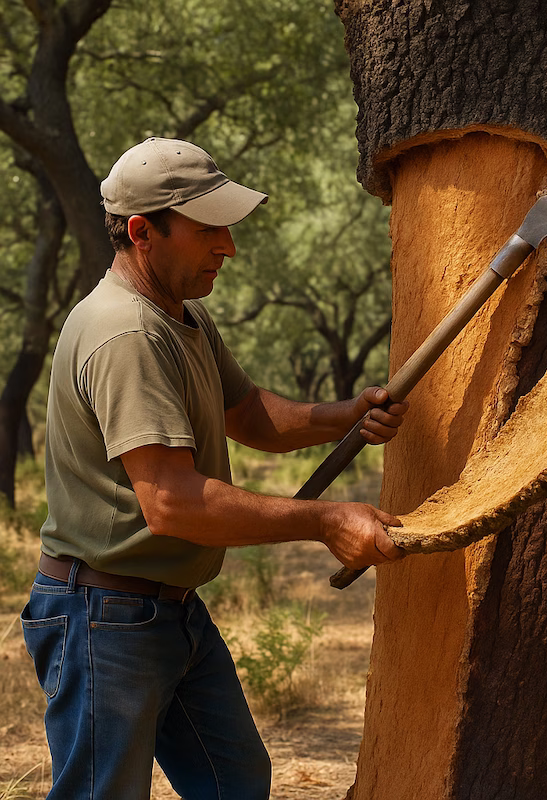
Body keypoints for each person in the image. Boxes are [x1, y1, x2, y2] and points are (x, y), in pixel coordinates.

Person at [20, 137, 408, 800]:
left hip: (167, 611)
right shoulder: (125, 335)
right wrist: (324, 521)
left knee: (233, 781)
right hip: (103, 616)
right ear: (142, 232)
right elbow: (171, 502)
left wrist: (346, 413)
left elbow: (251, 413)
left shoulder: (184, 317)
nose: (227, 247)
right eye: (208, 231)